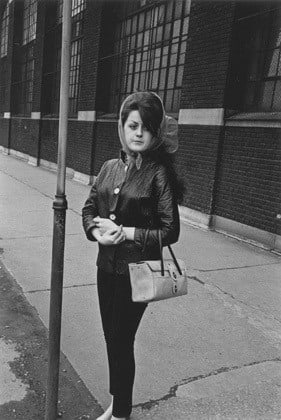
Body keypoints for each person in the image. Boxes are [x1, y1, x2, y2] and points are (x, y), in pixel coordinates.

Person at [82, 91, 183, 420]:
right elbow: (88, 208)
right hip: (106, 268)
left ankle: (121, 412)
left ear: (155, 134)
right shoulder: (109, 167)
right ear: (122, 127)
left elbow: (171, 231)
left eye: (146, 128)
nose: (138, 133)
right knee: (112, 339)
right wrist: (96, 232)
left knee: (122, 340)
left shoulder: (158, 174)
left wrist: (127, 233)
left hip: (138, 272)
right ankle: (117, 402)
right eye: (133, 125)